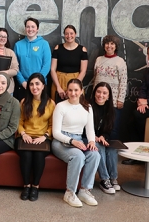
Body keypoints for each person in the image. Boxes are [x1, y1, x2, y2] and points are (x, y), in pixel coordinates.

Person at [52, 79, 100, 208]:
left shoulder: (87, 107)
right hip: (61, 141)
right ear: (67, 91)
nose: (73, 93)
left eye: (76, 90)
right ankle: (69, 192)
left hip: (78, 139)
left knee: (95, 155)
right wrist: (71, 141)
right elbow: (55, 132)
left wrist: (91, 141)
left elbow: (90, 129)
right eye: (70, 90)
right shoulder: (60, 106)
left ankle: (84, 190)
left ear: (81, 91)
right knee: (78, 156)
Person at [16, 73, 55, 201]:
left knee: (38, 155)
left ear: (43, 86)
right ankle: (26, 185)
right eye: (31, 84)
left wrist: (45, 136)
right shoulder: (24, 102)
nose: (34, 87)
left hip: (42, 138)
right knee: (26, 154)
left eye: (37, 84)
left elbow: (51, 125)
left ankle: (35, 186)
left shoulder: (50, 103)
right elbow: (19, 123)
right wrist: (23, 134)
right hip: (25, 136)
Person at [93, 35, 127, 153]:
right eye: (107, 43)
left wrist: (120, 99)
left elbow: (123, 81)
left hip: (113, 101)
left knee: (113, 128)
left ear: (116, 46)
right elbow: (95, 79)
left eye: (112, 44)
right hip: (98, 99)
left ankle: (111, 152)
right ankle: (101, 149)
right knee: (99, 127)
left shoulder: (120, 61)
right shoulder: (98, 60)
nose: (109, 46)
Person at [91, 82, 121, 194]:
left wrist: (103, 136)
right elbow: (82, 128)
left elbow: (110, 130)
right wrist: (93, 137)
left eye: (104, 93)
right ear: (94, 93)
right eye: (98, 92)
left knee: (112, 148)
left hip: (102, 138)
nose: (101, 95)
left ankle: (113, 178)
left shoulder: (111, 111)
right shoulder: (88, 107)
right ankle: (104, 179)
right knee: (99, 146)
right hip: (88, 138)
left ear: (108, 96)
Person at [14, 17, 51, 101]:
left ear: (37, 29)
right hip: (23, 85)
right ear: (25, 28)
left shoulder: (44, 44)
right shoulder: (18, 45)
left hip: (39, 86)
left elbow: (46, 65)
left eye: (33, 27)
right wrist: (23, 82)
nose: (30, 29)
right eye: (28, 27)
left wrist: (37, 82)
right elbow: (15, 66)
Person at [50, 25, 88, 102]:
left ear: (75, 34)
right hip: (59, 80)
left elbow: (83, 71)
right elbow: (52, 69)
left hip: (76, 79)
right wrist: (58, 87)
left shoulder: (82, 50)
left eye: (71, 33)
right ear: (64, 35)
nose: (69, 36)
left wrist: (74, 86)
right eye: (66, 34)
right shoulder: (58, 48)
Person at [0, 27, 19, 94]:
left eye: (5, 37)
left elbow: (15, 70)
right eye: (0, 36)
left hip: (7, 88)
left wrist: (1, 73)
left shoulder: (10, 52)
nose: (3, 38)